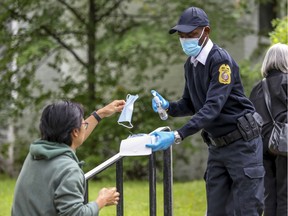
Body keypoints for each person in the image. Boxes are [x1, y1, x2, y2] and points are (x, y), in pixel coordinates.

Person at [146, 6, 265, 216]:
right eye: (182, 36)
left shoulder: (220, 61)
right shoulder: (190, 64)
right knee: (216, 210)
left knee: (247, 209)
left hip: (242, 145)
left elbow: (212, 107)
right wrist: (169, 107)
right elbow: (191, 103)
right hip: (217, 147)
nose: (185, 40)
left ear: (206, 32)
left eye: (190, 35)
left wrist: (177, 135)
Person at [12, 99, 126, 216]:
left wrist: (100, 114)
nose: (84, 127)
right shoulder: (68, 170)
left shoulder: (36, 153)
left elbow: (75, 137)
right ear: (75, 131)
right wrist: (102, 200)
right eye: (83, 124)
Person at [249, 43, 288, 216]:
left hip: (263, 144)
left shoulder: (257, 88)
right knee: (286, 194)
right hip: (285, 142)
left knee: (269, 196)